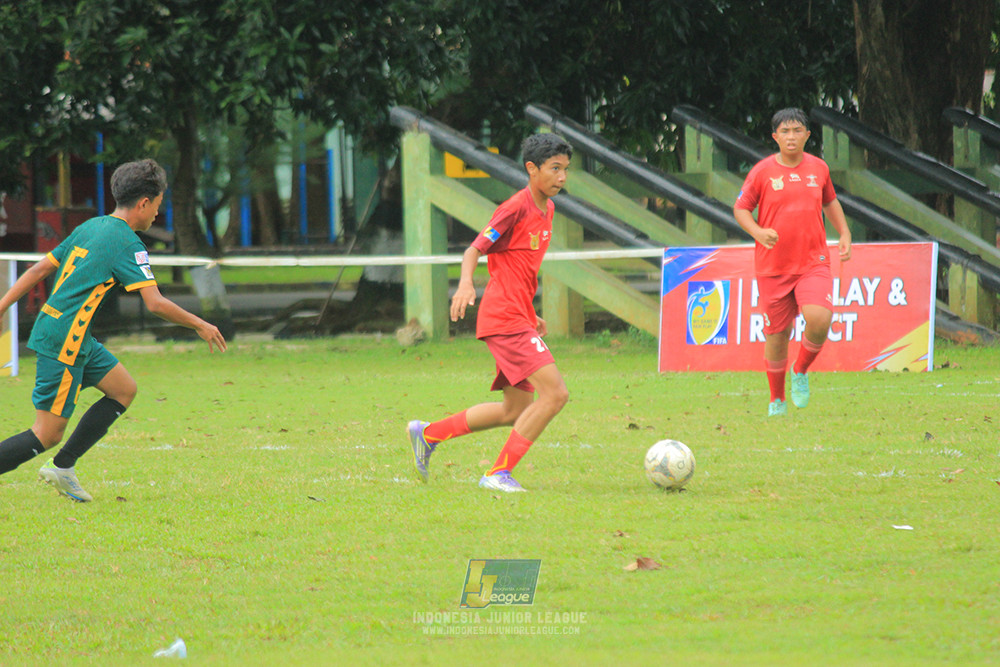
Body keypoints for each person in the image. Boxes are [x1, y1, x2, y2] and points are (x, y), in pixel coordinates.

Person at [0, 159, 227, 501]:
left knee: (123, 389)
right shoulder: (128, 244)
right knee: (46, 433)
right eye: (158, 206)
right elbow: (155, 303)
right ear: (143, 203)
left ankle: (63, 468)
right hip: (65, 339)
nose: (157, 215)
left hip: (71, 333)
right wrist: (201, 323)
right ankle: (56, 460)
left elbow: (37, 271)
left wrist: (1, 307)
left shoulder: (93, 226)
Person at [406, 133, 572, 492]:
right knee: (555, 394)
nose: (561, 177)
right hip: (505, 318)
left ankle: (428, 434)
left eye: (565, 170)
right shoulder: (515, 207)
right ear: (532, 169)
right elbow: (474, 250)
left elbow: (518, 266)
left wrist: (531, 311)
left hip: (517, 315)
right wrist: (466, 284)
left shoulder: (550, 208)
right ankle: (497, 474)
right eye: (554, 169)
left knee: (514, 409)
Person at [733, 108, 851, 417]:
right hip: (773, 266)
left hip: (813, 261)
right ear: (775, 137)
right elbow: (741, 209)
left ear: (807, 136)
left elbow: (829, 201)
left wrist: (844, 232)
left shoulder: (819, 169)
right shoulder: (761, 172)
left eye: (797, 131)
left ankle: (801, 370)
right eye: (785, 132)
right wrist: (758, 232)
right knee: (777, 335)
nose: (791, 136)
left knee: (820, 318)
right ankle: (776, 400)